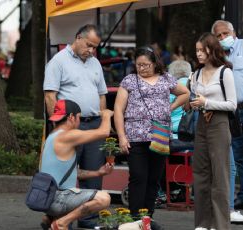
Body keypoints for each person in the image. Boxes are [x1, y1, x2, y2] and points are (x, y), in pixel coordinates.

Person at [43, 24, 108, 228]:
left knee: (94, 173)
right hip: (70, 125)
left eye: (95, 47)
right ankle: (60, 221)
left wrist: (101, 119)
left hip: (94, 123)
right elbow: (50, 96)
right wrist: (60, 126)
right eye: (89, 45)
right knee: (66, 175)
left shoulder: (95, 63)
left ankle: (89, 223)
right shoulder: (58, 61)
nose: (91, 50)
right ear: (78, 37)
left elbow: (102, 95)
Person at [114, 47, 189, 220]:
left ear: (155, 64)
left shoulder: (166, 79)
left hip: (160, 135)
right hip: (135, 136)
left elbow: (185, 93)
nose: (142, 68)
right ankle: (134, 218)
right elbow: (118, 109)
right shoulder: (129, 80)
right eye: (139, 65)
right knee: (138, 177)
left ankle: (148, 217)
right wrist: (122, 136)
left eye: (146, 65)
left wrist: (169, 108)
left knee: (154, 178)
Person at [40, 99, 113, 230]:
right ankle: (61, 223)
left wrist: (98, 173)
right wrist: (106, 115)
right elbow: (104, 132)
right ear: (71, 117)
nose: (79, 121)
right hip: (58, 199)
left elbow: (74, 173)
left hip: (47, 198)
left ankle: (51, 218)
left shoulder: (53, 135)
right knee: (104, 198)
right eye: (79, 117)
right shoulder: (67, 135)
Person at [189, 32, 236, 230]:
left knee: (220, 175)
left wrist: (206, 102)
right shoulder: (197, 73)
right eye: (197, 50)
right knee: (200, 174)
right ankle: (203, 223)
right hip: (202, 122)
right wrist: (194, 103)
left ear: (212, 49)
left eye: (203, 50)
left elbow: (232, 104)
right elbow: (194, 97)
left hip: (219, 123)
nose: (199, 54)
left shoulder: (225, 72)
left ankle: (219, 224)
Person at [212, 20, 243, 218]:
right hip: (231, 112)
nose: (223, 38)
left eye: (225, 33)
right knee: (238, 157)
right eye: (218, 36)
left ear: (233, 32)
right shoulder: (217, 55)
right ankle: (240, 199)